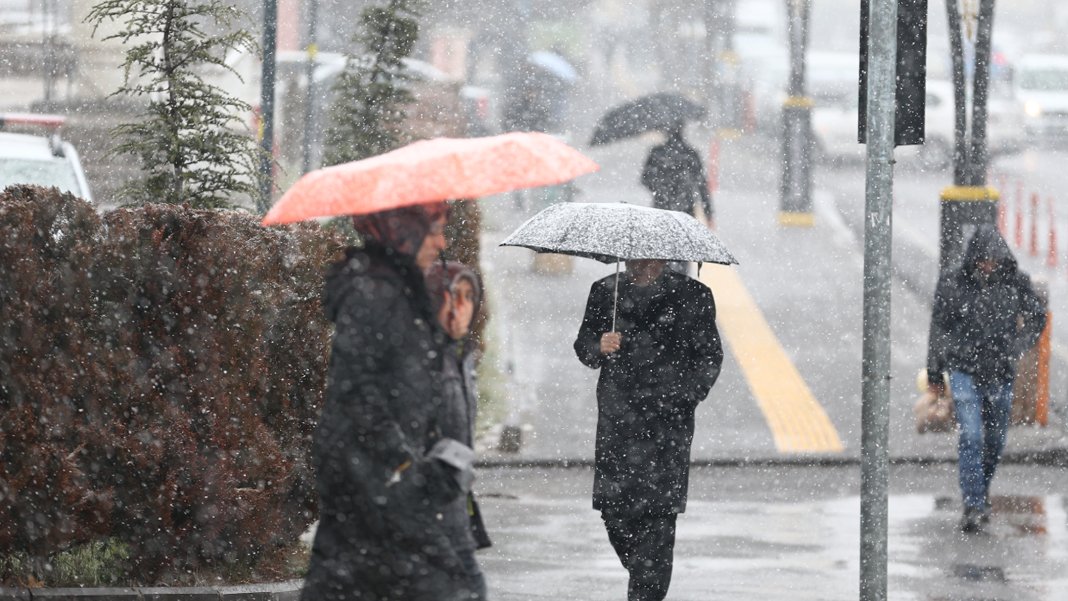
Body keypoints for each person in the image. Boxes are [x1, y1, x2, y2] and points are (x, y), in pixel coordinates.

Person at [302, 203, 477, 601]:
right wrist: (403, 463)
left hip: (380, 477)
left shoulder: (400, 288)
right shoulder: (376, 292)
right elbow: (357, 391)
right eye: (433, 229)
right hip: (373, 478)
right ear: (403, 231)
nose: (441, 241)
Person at [573, 259, 723, 601]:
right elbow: (584, 348)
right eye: (631, 255)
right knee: (615, 515)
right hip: (617, 425)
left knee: (658, 519)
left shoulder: (692, 295)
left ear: (662, 257)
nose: (636, 262)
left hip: (667, 428)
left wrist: (682, 399)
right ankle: (644, 577)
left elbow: (709, 357)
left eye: (645, 255)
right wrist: (599, 345)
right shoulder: (605, 293)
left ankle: (646, 591)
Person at [927, 224, 1046, 534]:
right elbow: (939, 329)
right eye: (982, 260)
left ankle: (979, 492)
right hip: (964, 368)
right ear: (973, 259)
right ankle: (974, 504)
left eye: (993, 260)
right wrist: (935, 372)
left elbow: (1037, 315)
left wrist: (1017, 345)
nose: (987, 266)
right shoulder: (953, 282)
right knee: (972, 436)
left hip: (1000, 371)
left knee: (994, 442)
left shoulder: (1015, 282)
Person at [425, 260, 489, 601]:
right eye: (453, 297)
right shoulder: (420, 357)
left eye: (469, 297)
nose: (462, 308)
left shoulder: (458, 357)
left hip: (454, 507)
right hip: (423, 513)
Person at [640, 123, 714, 221]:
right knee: (683, 232)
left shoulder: (656, 153)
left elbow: (645, 179)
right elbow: (701, 184)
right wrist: (707, 211)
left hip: (661, 204)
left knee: (662, 232)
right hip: (686, 205)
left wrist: (660, 188)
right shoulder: (690, 153)